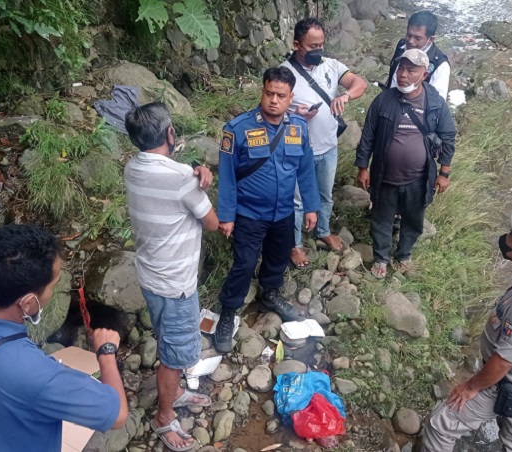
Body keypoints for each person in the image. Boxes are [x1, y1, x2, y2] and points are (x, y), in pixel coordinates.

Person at [0, 224, 128, 451]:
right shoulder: (36, 375)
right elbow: (117, 415)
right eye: (53, 285)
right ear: (28, 302)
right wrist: (106, 351)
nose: (52, 292)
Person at [421, 206, 512, 451]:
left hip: (506, 384)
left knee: (440, 425)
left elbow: (504, 361)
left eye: (511, 235)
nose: (505, 238)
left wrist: (471, 387)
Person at [124, 102, 219, 451]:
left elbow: (170, 184)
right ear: (170, 133)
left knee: (167, 337)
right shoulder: (181, 178)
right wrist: (198, 179)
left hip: (150, 277)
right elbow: (211, 223)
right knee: (175, 356)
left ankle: (175, 392)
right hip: (176, 286)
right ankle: (164, 418)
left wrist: (192, 173)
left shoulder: (133, 167)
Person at [214, 66, 321, 353]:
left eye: (281, 95)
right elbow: (226, 175)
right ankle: (228, 310)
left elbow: (306, 171)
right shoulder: (237, 129)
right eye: (269, 93)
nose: (274, 100)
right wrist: (226, 215)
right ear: (262, 91)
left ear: (291, 97)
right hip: (249, 214)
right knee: (244, 264)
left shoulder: (298, 127)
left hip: (283, 213)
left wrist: (311, 207)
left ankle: (270, 293)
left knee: (277, 258)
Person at [356, 49, 456, 279]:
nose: (403, 74)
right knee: (381, 218)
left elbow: (448, 136)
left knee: (413, 219)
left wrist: (444, 173)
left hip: (418, 178)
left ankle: (403, 255)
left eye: (411, 70)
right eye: (401, 68)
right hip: (384, 175)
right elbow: (368, 135)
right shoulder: (384, 99)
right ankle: (381, 257)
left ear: (424, 73)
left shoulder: (435, 103)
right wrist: (363, 167)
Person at [281, 17, 368, 267]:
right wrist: (295, 115)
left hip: (328, 146)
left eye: (321, 45)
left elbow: (359, 82)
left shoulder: (330, 65)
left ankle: (323, 230)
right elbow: (270, 109)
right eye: (312, 46)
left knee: (325, 194)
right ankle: (295, 245)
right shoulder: (284, 73)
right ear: (297, 44)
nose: (318, 51)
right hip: (298, 150)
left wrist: (346, 95)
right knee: (296, 201)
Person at [384, 10, 450, 100]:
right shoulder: (401, 45)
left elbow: (438, 101)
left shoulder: (440, 65)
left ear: (431, 39)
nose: (411, 41)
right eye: (409, 35)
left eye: (417, 38)